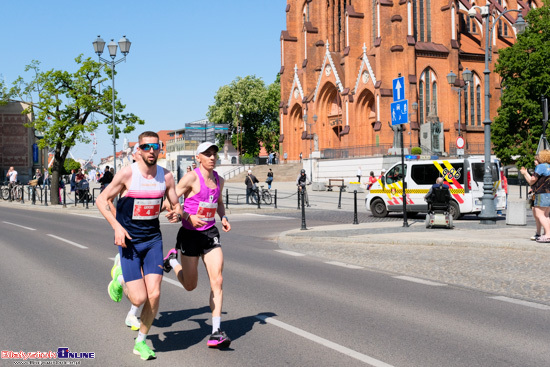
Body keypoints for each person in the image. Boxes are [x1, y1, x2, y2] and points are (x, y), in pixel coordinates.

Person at [97, 131, 182, 361]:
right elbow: (101, 200)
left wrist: (176, 213)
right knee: (138, 299)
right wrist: (116, 226)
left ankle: (141, 342)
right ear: (138, 150)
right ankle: (120, 278)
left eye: (155, 146)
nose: (151, 151)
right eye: (146, 147)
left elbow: (176, 204)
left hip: (153, 240)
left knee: (153, 294)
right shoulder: (127, 174)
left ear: (160, 148)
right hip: (130, 243)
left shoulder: (166, 177)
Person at [161, 141, 232, 349]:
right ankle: (173, 261)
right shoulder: (191, 178)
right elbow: (172, 199)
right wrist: (184, 215)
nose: (212, 157)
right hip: (190, 235)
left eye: (214, 154)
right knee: (190, 285)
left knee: (217, 280)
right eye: (207, 154)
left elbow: (218, 203)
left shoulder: (220, 180)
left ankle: (216, 331)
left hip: (210, 234)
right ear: (197, 157)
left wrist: (224, 217)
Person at [520, 150, 550, 243]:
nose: (534, 160)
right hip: (548, 193)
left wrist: (525, 173)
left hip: (541, 193)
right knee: (546, 215)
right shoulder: (548, 166)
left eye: (537, 158)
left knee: (539, 214)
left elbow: (532, 181)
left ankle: (548, 235)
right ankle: (546, 234)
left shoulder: (541, 167)